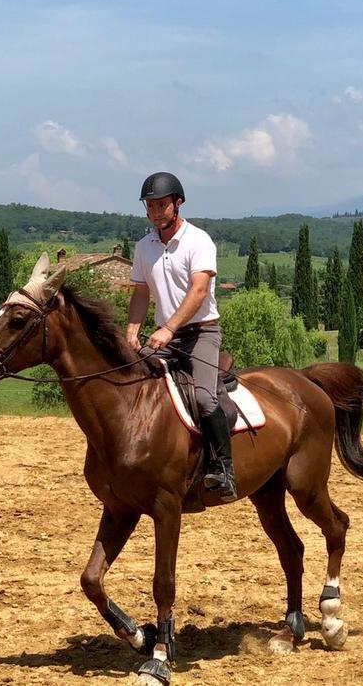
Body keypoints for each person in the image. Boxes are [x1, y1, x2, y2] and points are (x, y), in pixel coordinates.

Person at [126, 171, 237, 502]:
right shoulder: (143, 247)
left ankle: (224, 469)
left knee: (204, 398)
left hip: (201, 333)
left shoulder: (198, 240)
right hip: (165, 337)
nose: (156, 211)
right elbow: (141, 293)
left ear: (178, 203)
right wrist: (132, 329)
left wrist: (169, 327)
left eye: (162, 204)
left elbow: (199, 291)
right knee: (134, 388)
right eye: (150, 206)